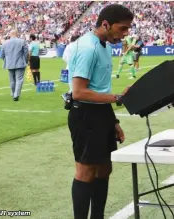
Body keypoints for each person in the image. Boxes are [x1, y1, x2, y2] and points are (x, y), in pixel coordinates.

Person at [67, 4, 133, 219]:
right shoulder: (88, 48)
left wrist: (112, 120)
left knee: (104, 169)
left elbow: (100, 88)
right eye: (122, 29)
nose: (125, 34)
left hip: (101, 114)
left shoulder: (103, 45)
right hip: (85, 114)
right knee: (86, 172)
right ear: (106, 24)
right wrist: (118, 98)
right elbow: (79, 92)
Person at [0, 30, 28, 101]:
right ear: (17, 34)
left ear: (10, 34)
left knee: (12, 80)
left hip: (10, 64)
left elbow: (1, 55)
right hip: (20, 63)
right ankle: (16, 94)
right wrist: (25, 61)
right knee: (19, 79)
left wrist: (7, 61)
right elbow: (26, 53)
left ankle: (13, 93)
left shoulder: (5, 43)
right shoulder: (22, 41)